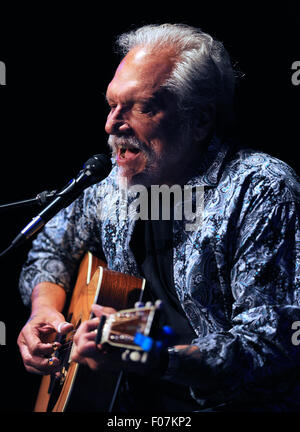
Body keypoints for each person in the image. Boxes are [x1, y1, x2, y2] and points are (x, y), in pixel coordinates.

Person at [17, 23, 300, 412]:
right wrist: (44, 313)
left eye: (141, 106)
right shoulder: (111, 184)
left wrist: (160, 357)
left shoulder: (261, 190)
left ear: (199, 120)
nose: (112, 125)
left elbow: (272, 343)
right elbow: (51, 249)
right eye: (112, 105)